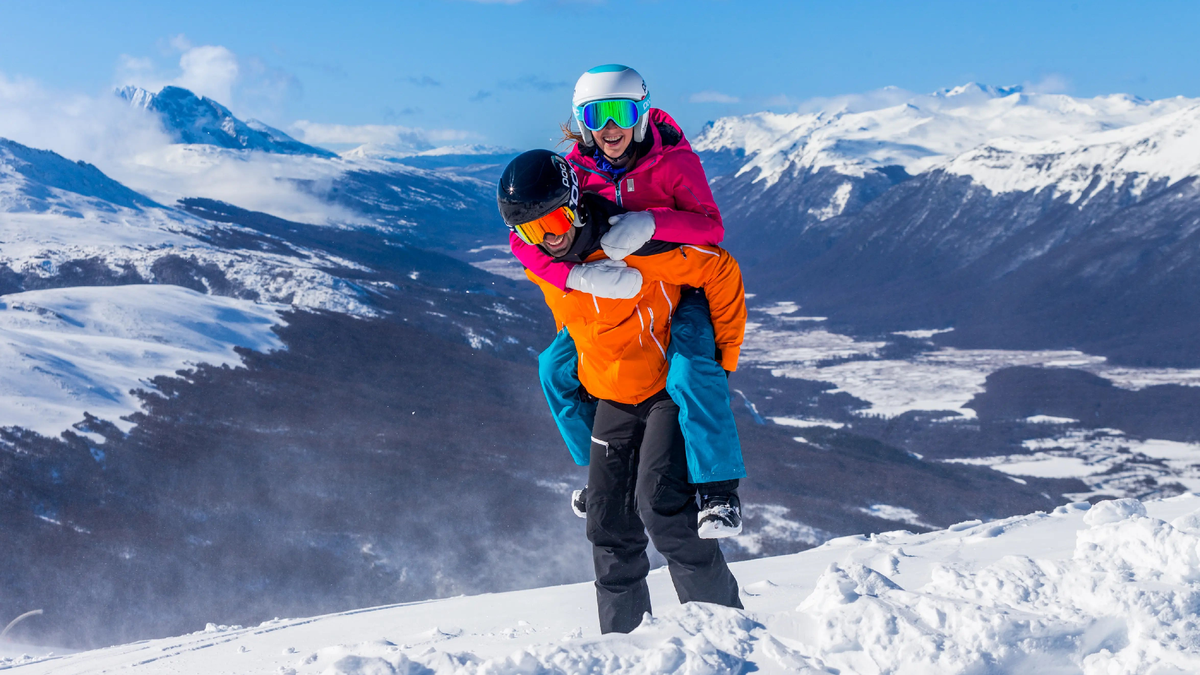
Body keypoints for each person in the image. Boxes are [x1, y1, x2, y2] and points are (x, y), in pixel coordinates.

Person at [498, 148, 745, 634]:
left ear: (575, 201)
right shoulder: (547, 261)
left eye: (556, 220)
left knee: (664, 510)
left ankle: (726, 640)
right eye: (533, 230)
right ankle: (624, 651)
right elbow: (532, 257)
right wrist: (572, 275)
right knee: (608, 527)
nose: (550, 238)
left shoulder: (631, 244)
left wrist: (720, 362)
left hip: (661, 391)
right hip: (611, 391)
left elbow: (721, 269)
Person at [508, 64, 745, 536]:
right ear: (581, 121)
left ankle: (719, 492)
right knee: (554, 370)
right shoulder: (574, 171)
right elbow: (521, 239)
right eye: (597, 116)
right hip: (605, 291)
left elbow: (712, 230)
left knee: (692, 369)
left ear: (641, 112)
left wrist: (655, 223)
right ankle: (599, 472)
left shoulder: (673, 162)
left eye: (621, 112)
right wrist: (575, 277)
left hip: (679, 287)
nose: (610, 127)